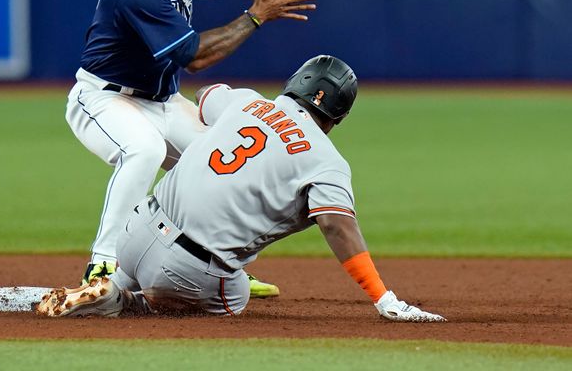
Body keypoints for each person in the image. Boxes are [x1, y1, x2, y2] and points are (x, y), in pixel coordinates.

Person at [39, 55, 446, 322]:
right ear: (338, 114)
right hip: (188, 272)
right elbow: (337, 226)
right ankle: (126, 303)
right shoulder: (327, 161)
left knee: (148, 254)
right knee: (237, 297)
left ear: (296, 83)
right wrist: (383, 298)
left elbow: (206, 95)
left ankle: (115, 284)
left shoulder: (250, 101)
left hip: (137, 230)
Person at [65, 0, 317, 298]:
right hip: (105, 99)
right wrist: (255, 15)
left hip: (161, 100)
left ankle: (226, 262)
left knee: (227, 165)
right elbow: (194, 56)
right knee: (143, 150)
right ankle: (103, 262)